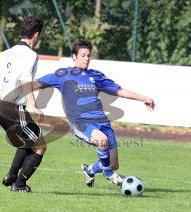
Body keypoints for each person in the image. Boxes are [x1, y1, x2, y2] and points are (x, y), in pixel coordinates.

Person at [34, 39, 155, 187]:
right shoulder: (63, 75)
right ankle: (108, 174)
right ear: (74, 56)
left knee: (113, 163)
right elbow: (34, 84)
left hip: (102, 120)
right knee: (102, 142)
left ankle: (89, 170)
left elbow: (119, 91)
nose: (86, 58)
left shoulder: (95, 75)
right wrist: (32, 103)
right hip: (80, 121)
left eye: (89, 55)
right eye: (83, 55)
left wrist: (143, 98)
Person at [0, 16, 46, 192]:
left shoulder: (6, 52)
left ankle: (11, 176)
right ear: (36, 35)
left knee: (26, 142)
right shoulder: (31, 55)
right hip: (14, 108)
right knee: (40, 146)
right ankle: (19, 184)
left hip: (1, 107)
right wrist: (34, 105)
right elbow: (26, 80)